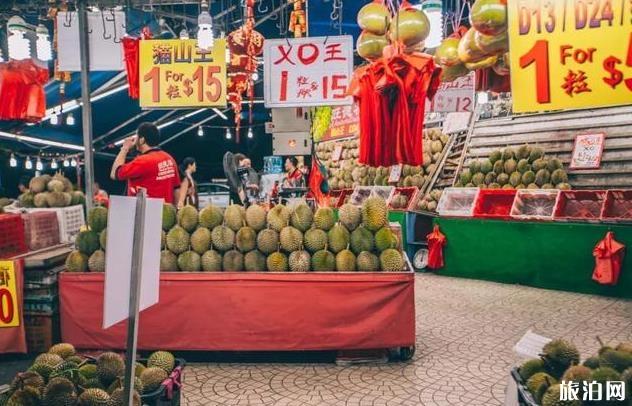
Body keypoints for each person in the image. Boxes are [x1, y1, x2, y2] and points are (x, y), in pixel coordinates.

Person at [110, 122, 181, 203]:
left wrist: (125, 148)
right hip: (166, 212)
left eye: (136, 136)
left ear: (142, 140)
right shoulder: (169, 159)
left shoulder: (142, 161)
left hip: (146, 213)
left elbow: (114, 173)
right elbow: (176, 189)